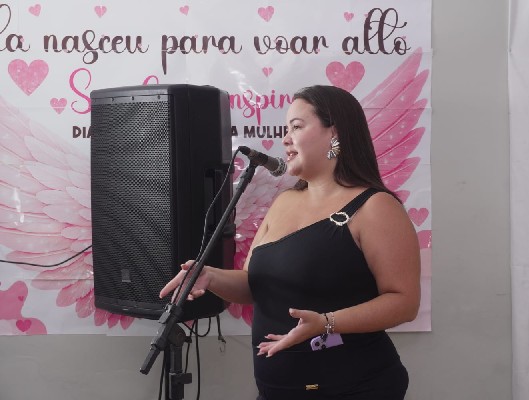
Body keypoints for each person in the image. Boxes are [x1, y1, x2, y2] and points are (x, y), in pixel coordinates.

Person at [160, 85, 421, 399]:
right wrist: (209, 276)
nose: (285, 139)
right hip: (276, 390)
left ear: (334, 133)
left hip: (354, 388)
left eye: (296, 127)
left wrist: (326, 323)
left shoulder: (375, 207)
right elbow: (254, 284)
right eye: (286, 129)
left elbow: (404, 302)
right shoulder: (284, 201)